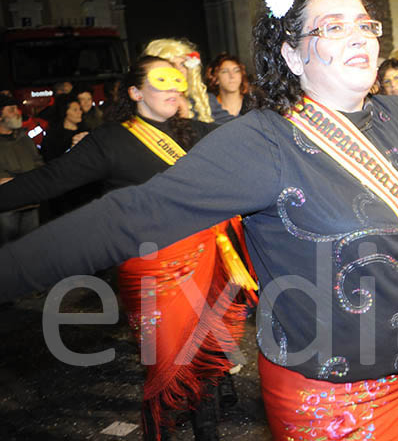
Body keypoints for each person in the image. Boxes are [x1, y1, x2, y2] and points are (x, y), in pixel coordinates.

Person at [0, 0, 398, 441]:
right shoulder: (262, 140)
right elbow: (127, 217)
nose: (361, 37)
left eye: (365, 25)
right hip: (331, 399)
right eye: (334, 28)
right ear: (291, 55)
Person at [0, 56, 253, 441]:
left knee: (203, 359)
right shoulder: (111, 140)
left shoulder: (198, 134)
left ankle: (208, 431)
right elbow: (50, 181)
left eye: (177, 81)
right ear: (136, 92)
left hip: (204, 262)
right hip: (152, 271)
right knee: (165, 365)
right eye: (162, 80)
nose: (173, 88)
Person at [0, 95, 42, 244]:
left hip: (30, 201)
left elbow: (38, 161)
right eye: (11, 110)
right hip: (6, 207)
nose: (17, 112)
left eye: (17, 109)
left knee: (31, 246)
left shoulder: (24, 137)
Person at [143, 38, 213, 123]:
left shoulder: (204, 100)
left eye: (183, 64)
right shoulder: (148, 103)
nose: (179, 70)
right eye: (171, 64)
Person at [205, 53, 254, 123]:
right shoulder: (208, 108)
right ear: (215, 79)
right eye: (225, 71)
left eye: (236, 71)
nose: (232, 76)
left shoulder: (253, 104)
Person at [40, 93, 85, 162]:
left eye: (80, 109)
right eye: (75, 110)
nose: (80, 112)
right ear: (65, 112)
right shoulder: (53, 136)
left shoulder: (85, 131)